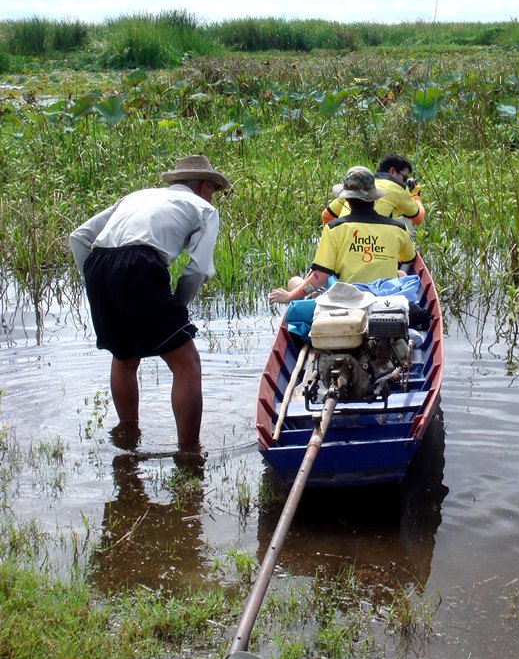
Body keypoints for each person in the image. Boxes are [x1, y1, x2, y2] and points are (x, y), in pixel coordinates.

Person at [69, 155, 230, 448]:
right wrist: (178, 306)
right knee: (187, 364)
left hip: (98, 264)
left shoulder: (137, 196)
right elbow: (199, 268)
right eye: (213, 191)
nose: (213, 198)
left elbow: (79, 237)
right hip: (138, 264)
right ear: (205, 185)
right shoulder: (204, 208)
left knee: (124, 357)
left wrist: (95, 281)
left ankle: (128, 437)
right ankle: (189, 452)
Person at [269, 166, 416, 305]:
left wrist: (290, 296)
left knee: (294, 281)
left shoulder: (334, 228)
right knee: (401, 275)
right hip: (385, 302)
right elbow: (408, 258)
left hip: (348, 301)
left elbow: (319, 278)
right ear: (374, 198)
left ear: (346, 199)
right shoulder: (398, 228)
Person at [321, 153, 425, 227]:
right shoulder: (398, 189)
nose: (404, 182)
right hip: (375, 247)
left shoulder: (358, 186)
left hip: (345, 243)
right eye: (405, 178)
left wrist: (332, 236)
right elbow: (418, 218)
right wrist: (415, 196)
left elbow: (326, 215)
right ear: (392, 171)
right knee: (405, 225)